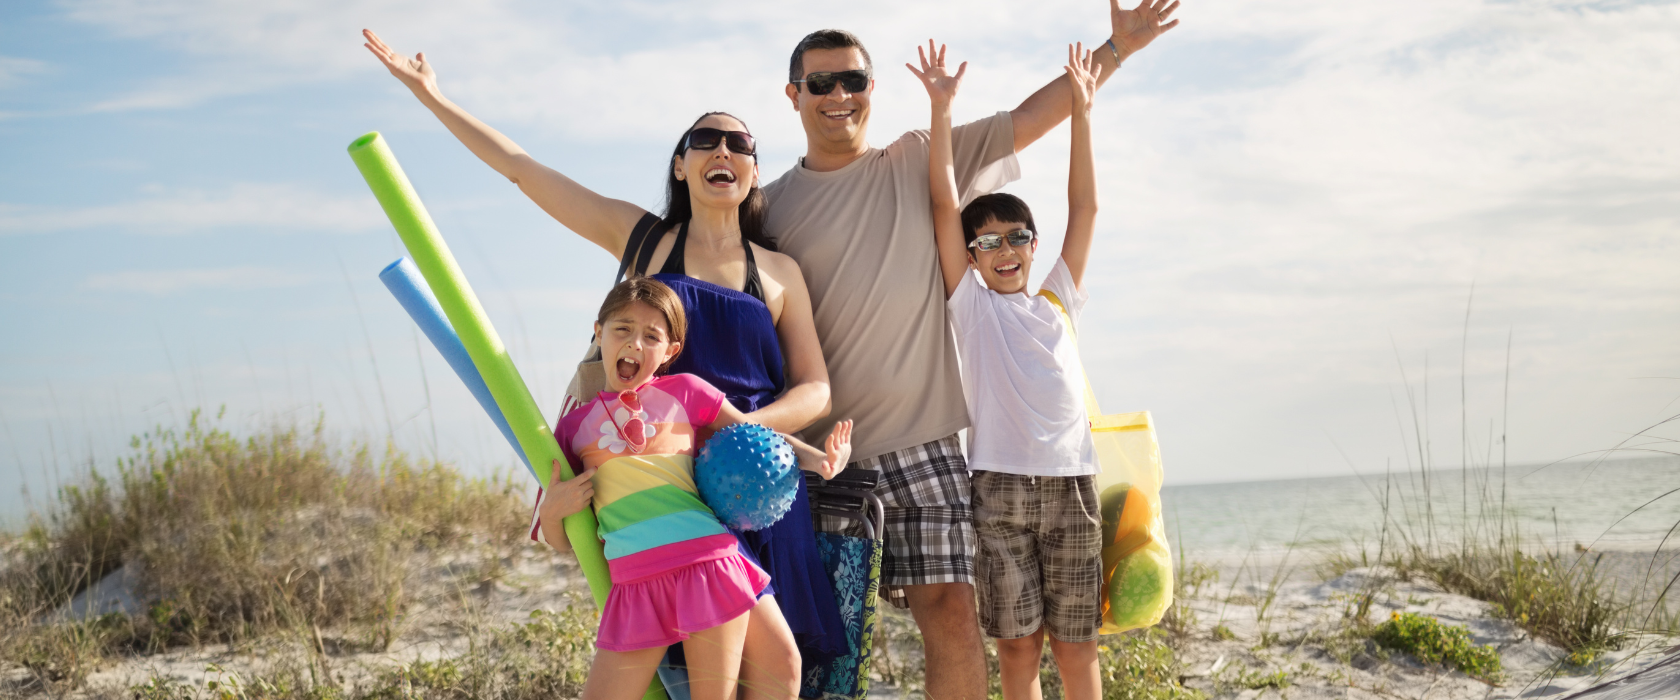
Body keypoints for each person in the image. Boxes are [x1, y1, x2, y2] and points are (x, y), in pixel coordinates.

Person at [362, 29, 849, 697]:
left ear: (754, 172)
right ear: (680, 165)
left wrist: (742, 431)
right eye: (705, 140)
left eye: (740, 144)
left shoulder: (779, 269)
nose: (723, 150)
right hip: (661, 479)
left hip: (751, 477)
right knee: (683, 673)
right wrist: (432, 95)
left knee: (775, 667)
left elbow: (816, 387)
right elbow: (522, 169)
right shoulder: (642, 236)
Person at [761, 5, 1178, 697]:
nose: (839, 95)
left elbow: (1029, 119)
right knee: (821, 646)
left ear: (871, 88)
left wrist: (1118, 48)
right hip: (821, 452)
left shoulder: (919, 159)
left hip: (924, 442)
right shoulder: (767, 207)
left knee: (955, 615)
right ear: (794, 95)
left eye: (853, 80)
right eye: (820, 83)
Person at [536, 277, 853, 700]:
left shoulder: (685, 391)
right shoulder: (573, 427)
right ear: (598, 333)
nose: (634, 343)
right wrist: (552, 511)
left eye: (652, 336)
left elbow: (754, 434)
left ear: (671, 351)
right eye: (622, 329)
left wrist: (819, 460)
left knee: (779, 668)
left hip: (708, 563)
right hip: (635, 586)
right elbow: (561, 541)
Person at [914, 40, 1106, 700]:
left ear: (1032, 243)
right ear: (971, 256)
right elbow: (944, 205)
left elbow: (1086, 209)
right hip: (998, 488)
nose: (1005, 250)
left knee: (1077, 648)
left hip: (1073, 485)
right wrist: (942, 112)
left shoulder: (1057, 302)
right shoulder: (970, 306)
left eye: (1017, 237)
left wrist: (1083, 113)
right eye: (988, 241)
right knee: (1019, 647)